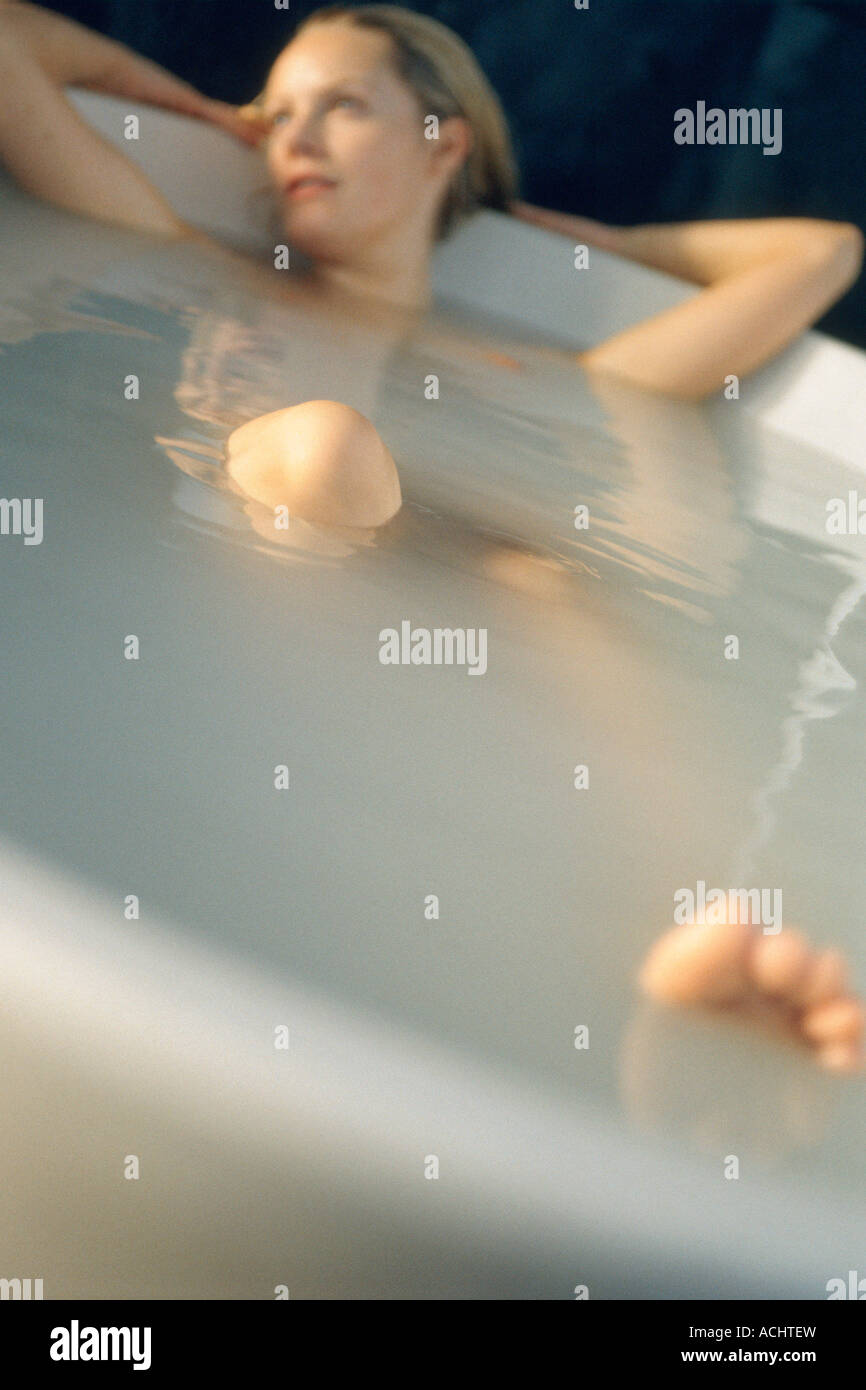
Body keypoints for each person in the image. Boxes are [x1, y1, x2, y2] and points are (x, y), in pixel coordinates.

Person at [0, 0, 862, 401]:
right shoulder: (175, 251)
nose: (294, 140)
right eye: (279, 114)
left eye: (340, 106)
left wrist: (617, 241)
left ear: (442, 144)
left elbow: (822, 252)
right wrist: (185, 105)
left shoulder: (521, 377)